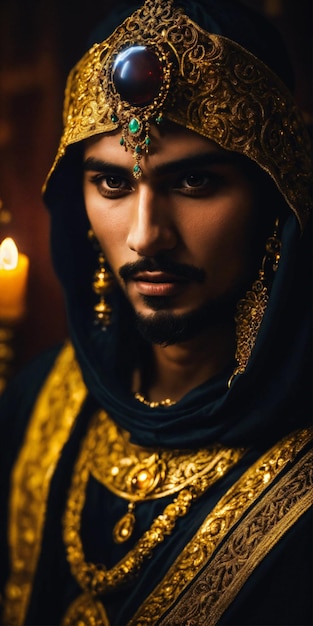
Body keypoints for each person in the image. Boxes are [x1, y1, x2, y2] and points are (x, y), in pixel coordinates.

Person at [0, 0, 312, 624]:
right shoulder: (37, 400)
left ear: (274, 198)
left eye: (193, 183)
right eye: (113, 184)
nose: (146, 236)